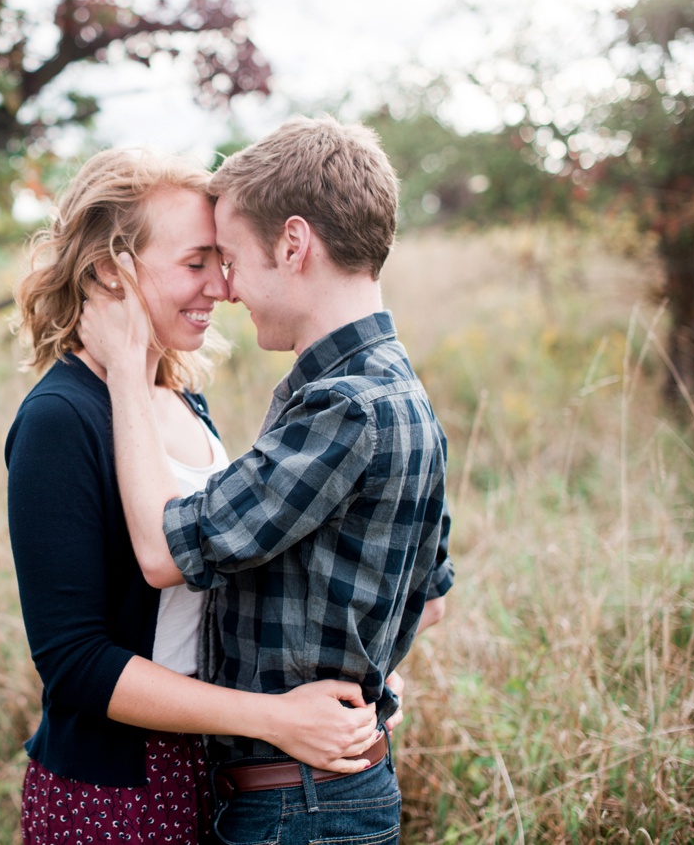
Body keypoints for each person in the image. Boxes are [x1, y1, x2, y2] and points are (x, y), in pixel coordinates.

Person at [79, 117, 454, 844]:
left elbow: (161, 552)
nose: (225, 287)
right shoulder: (396, 391)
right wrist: (365, 673)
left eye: (230, 257)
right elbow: (429, 599)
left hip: (299, 806)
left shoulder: (345, 407)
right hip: (319, 793)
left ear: (293, 244)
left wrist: (127, 368)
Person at [5, 148, 392, 844]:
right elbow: (74, 663)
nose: (221, 285)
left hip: (215, 766)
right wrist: (269, 717)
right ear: (107, 270)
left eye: (221, 259)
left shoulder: (185, 399)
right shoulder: (61, 417)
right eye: (194, 263)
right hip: (116, 791)